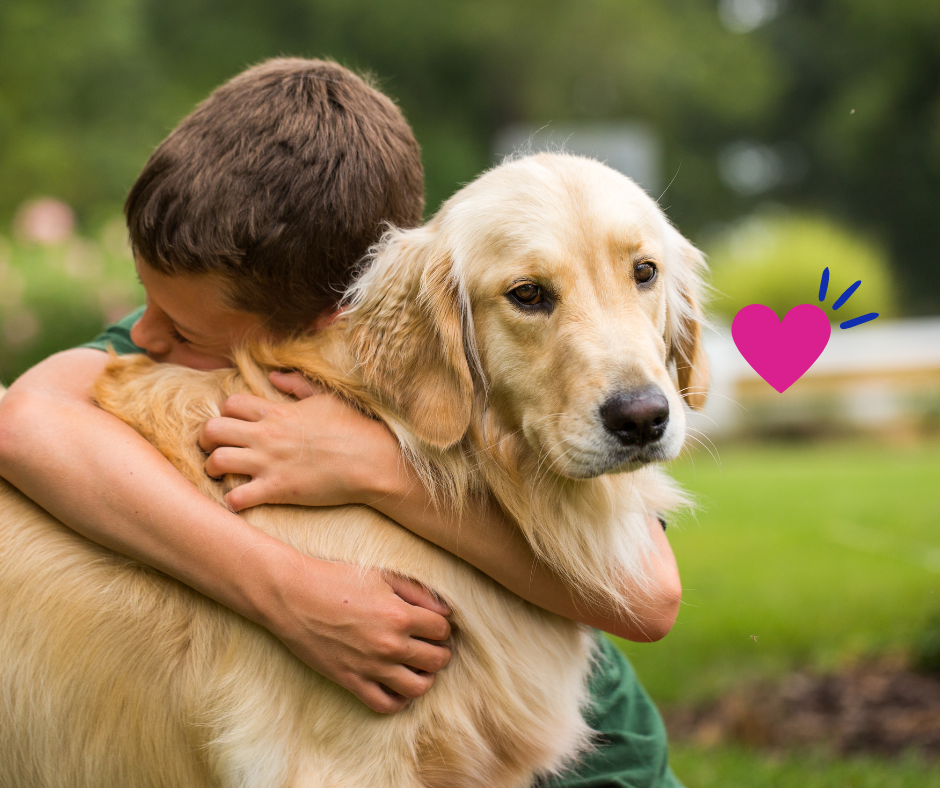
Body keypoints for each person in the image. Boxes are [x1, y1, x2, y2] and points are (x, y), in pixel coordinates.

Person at [0, 57, 684, 786]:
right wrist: (288, 590)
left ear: (322, 322)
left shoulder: (418, 309)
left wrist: (375, 469)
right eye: (149, 304)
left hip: (607, 761)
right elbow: (20, 425)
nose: (144, 336)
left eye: (180, 324)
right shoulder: (205, 320)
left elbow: (649, 596)